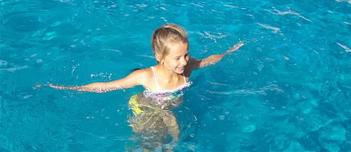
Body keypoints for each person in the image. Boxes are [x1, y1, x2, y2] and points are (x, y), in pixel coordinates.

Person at [50, 24, 244, 151]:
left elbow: (206, 61)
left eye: (186, 55)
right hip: (146, 107)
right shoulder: (146, 76)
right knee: (151, 142)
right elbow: (106, 86)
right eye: (177, 58)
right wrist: (70, 88)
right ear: (159, 57)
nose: (184, 62)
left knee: (171, 140)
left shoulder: (187, 67)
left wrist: (228, 52)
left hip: (170, 109)